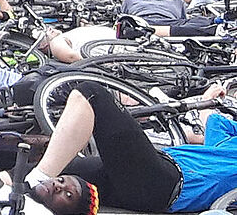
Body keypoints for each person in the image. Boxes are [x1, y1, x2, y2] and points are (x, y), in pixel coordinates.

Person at [27, 78, 236, 213]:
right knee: (63, 168)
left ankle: (36, 179)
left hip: (167, 183)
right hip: (153, 175)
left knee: (91, 94)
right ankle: (4, 181)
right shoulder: (225, 142)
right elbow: (215, 121)